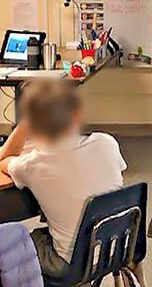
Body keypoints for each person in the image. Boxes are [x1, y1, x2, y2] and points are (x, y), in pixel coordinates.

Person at [0, 80, 130, 280]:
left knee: (11, 245)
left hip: (72, 264)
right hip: (118, 245)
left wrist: (24, 125)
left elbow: (3, 159)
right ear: (77, 114)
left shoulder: (34, 165)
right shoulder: (107, 142)